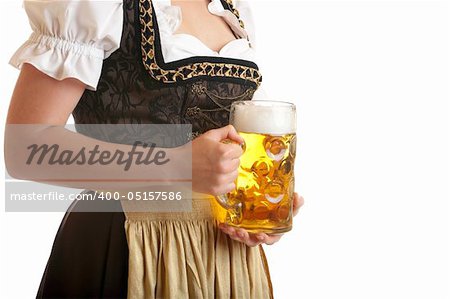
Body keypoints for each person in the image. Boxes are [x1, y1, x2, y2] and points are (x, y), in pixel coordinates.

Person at [5, 0, 304, 298]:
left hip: (223, 257)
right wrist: (175, 165)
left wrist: (253, 205)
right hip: (130, 241)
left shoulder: (231, 8)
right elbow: (26, 148)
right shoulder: (96, 6)